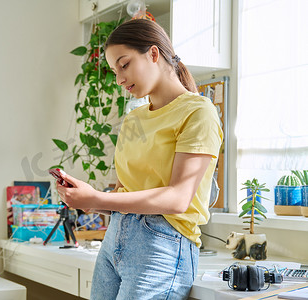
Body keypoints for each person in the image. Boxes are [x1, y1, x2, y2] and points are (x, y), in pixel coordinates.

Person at [55, 19, 223, 300]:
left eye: (124, 64)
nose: (119, 78)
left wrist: (96, 199)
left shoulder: (198, 112)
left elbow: (177, 199)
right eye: (113, 70)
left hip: (162, 248)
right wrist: (85, 198)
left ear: (153, 54)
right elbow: (126, 194)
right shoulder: (134, 118)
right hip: (114, 241)